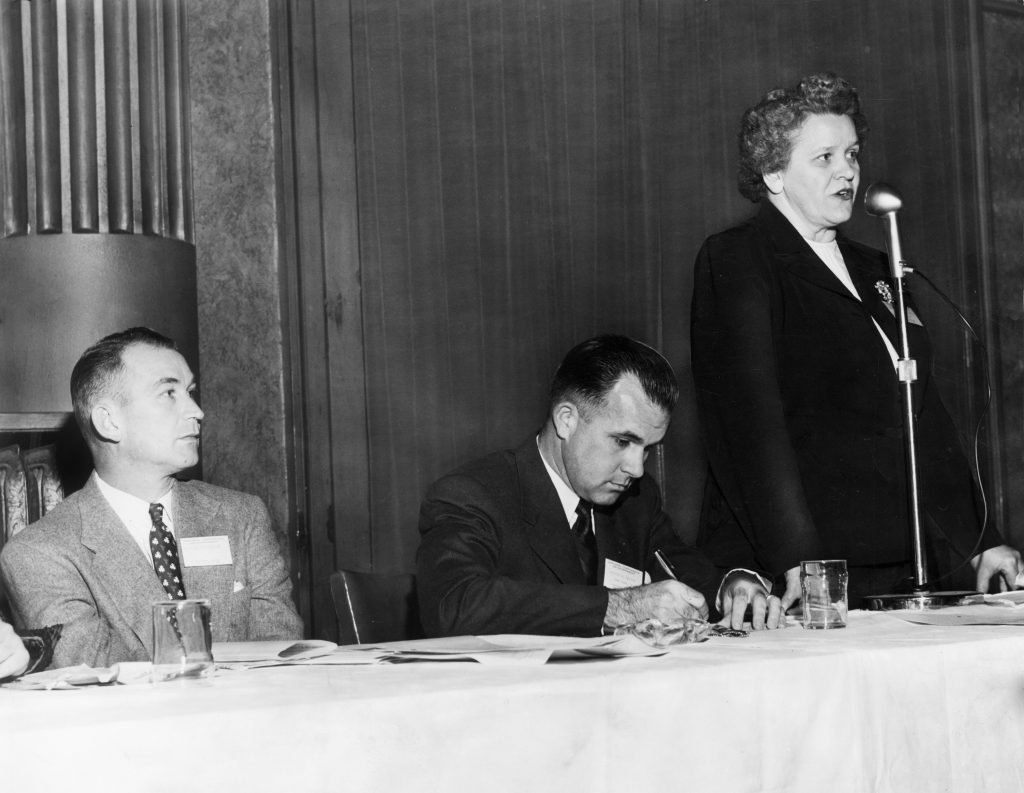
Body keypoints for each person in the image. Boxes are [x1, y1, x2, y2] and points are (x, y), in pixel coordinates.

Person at [690, 73, 1023, 610]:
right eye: (824, 157)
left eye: (852, 152)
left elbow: (926, 419)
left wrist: (982, 542)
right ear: (775, 173)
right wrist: (799, 557)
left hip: (903, 558)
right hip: (809, 568)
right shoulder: (741, 260)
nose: (847, 169)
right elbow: (751, 425)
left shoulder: (878, 269)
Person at [417, 334, 783, 638]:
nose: (637, 469)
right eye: (622, 442)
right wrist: (622, 606)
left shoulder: (635, 500)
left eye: (648, 449)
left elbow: (686, 571)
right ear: (566, 420)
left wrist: (733, 587)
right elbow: (454, 606)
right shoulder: (472, 494)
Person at [0, 327, 303, 669]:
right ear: (110, 422)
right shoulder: (39, 553)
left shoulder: (241, 516)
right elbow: (98, 671)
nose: (196, 411)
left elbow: (281, 653)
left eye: (190, 392)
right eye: (169, 393)